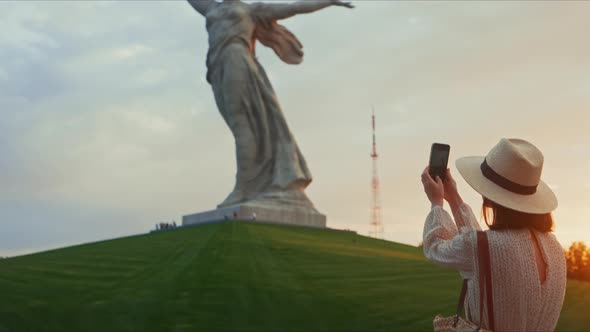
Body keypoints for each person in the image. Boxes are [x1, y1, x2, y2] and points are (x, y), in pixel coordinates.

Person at [186, 0, 353, 208]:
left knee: (241, 124)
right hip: (215, 64)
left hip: (236, 58)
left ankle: (244, 188)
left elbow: (294, 7)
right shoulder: (213, 8)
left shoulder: (251, 10)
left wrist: (328, 2)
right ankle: (249, 185)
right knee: (237, 124)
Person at [420, 138, 566, 331]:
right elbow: (482, 249)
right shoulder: (555, 249)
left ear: (490, 197)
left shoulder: (482, 247)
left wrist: (436, 203)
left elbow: (435, 247)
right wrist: (454, 198)